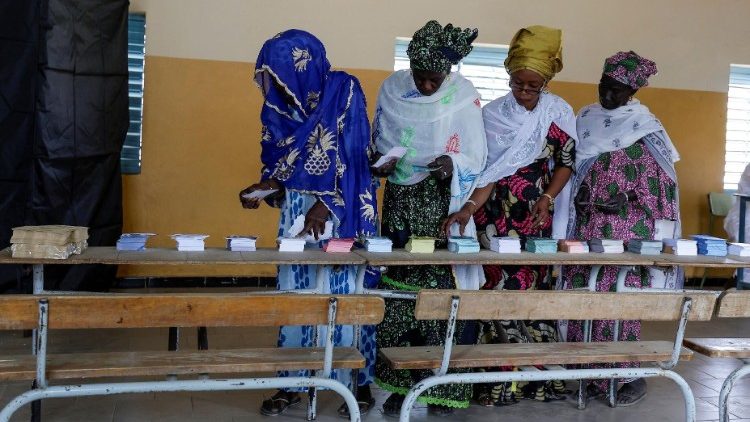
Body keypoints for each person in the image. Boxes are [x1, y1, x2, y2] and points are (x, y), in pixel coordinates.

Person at [238, 29, 379, 417]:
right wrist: (266, 188)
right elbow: (281, 167)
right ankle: (292, 382)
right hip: (297, 216)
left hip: (343, 209)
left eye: (284, 79)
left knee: (346, 298)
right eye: (272, 80)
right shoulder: (277, 109)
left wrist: (325, 204)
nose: (278, 90)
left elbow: (355, 155)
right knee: (296, 296)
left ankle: (357, 383)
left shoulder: (344, 90)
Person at [442, 25, 576, 406]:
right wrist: (469, 208)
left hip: (535, 214)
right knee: (495, 287)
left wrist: (547, 198)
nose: (524, 92)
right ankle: (497, 380)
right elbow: (487, 173)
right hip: (495, 216)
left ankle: (535, 379)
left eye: (533, 85)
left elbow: (566, 163)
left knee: (531, 288)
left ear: (546, 82)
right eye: (518, 83)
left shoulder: (558, 113)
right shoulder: (494, 114)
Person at [371, 20, 487, 416]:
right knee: (402, 295)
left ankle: (443, 389)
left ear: (448, 73)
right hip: (401, 202)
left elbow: (476, 153)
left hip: (442, 207)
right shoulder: (392, 89)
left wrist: (452, 165)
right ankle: (403, 386)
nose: (425, 87)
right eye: (420, 78)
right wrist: (382, 164)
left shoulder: (464, 94)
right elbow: (380, 139)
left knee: (441, 296)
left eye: (433, 80)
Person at [563, 51, 681, 406]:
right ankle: (587, 371)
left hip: (627, 227)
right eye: (604, 86)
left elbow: (664, 185)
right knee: (586, 295)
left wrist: (628, 198)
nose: (608, 96)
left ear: (631, 92)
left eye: (616, 90)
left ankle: (629, 374)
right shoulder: (585, 118)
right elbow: (571, 166)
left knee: (619, 299)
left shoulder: (645, 125)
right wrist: (578, 194)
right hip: (589, 223)